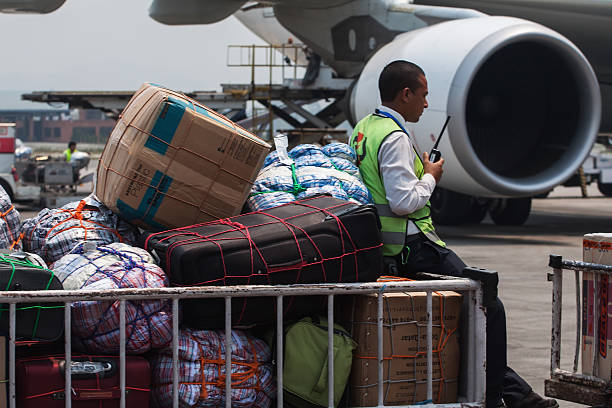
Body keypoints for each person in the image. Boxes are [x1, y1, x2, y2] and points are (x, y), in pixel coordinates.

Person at [350, 60, 558, 408]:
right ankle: (495, 397)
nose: (426, 104)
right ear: (405, 95)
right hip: (412, 245)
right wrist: (431, 175)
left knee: (466, 314)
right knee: (488, 305)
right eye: (423, 95)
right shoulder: (395, 137)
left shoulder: (364, 128)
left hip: (383, 246)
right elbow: (403, 202)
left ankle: (518, 395)